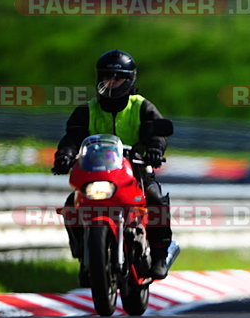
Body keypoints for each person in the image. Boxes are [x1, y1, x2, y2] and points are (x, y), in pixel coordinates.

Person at [52, 49, 173, 282]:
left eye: (118, 78)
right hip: (97, 172)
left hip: (136, 170)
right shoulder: (87, 110)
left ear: (129, 80)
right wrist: (65, 155)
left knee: (155, 197)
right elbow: (72, 137)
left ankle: (159, 253)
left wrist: (155, 149)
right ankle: (83, 255)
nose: (112, 83)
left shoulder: (141, 106)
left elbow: (157, 131)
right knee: (71, 205)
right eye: (107, 77)